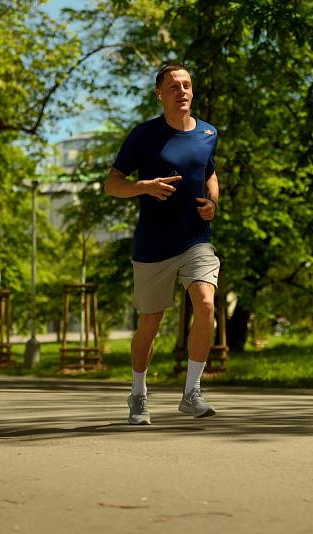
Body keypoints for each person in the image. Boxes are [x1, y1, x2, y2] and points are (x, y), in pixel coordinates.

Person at [104, 64, 221, 425]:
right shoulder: (144, 136)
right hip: (154, 244)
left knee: (205, 304)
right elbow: (112, 183)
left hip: (195, 241)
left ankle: (192, 392)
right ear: (160, 94)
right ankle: (138, 394)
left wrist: (213, 204)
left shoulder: (207, 133)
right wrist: (144, 187)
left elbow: (210, 173)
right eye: (173, 86)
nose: (182, 91)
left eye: (186, 85)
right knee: (150, 323)